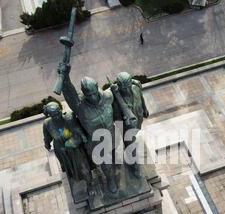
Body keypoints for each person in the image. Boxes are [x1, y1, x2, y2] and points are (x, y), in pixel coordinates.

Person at [58, 63, 119, 194]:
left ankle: (115, 168)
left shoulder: (108, 96)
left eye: (93, 93)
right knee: (106, 164)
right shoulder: (80, 106)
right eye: (88, 94)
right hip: (96, 141)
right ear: (84, 94)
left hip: (111, 135)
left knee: (114, 157)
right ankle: (110, 180)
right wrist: (65, 77)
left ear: (97, 87)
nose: (91, 97)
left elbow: (118, 94)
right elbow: (69, 93)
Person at [42, 102, 94, 194]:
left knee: (83, 167)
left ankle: (90, 184)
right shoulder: (47, 124)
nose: (57, 116)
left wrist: (77, 140)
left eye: (58, 113)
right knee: (70, 169)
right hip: (61, 151)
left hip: (75, 149)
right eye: (54, 115)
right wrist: (47, 144)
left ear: (61, 110)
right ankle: (74, 176)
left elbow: (80, 132)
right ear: (49, 115)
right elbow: (47, 137)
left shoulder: (69, 118)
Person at [110, 72, 149, 178]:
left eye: (127, 86)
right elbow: (115, 117)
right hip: (126, 127)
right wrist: (123, 121)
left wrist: (144, 108)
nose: (126, 90)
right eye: (123, 88)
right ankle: (134, 166)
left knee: (133, 140)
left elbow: (141, 98)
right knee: (130, 146)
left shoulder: (135, 88)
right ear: (118, 86)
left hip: (138, 119)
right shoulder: (115, 99)